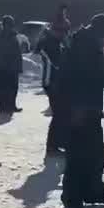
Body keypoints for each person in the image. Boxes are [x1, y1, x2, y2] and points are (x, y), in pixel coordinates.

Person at [59, 13, 104, 208]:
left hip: (89, 107)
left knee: (95, 152)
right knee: (79, 153)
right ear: (101, 32)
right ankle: (72, 195)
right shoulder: (84, 47)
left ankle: (92, 191)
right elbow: (92, 77)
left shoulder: (86, 44)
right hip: (79, 108)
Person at [38, 15, 69, 157]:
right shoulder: (49, 42)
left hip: (58, 81)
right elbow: (57, 62)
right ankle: (52, 146)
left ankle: (59, 142)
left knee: (62, 113)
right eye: (62, 31)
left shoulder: (56, 41)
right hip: (51, 82)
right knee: (58, 114)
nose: (64, 34)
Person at [0, 15, 24, 114]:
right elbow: (0, 51)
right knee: (5, 87)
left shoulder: (12, 36)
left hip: (10, 66)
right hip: (6, 66)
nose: (8, 26)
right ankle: (5, 107)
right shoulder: (3, 37)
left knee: (12, 87)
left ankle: (10, 106)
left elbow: (17, 52)